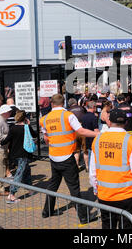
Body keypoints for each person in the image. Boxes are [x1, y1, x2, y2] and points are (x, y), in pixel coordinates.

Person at [40, 94, 98, 224]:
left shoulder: (44, 119)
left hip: (54, 157)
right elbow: (81, 131)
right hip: (67, 157)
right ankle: (83, 217)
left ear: (51, 104)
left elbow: (46, 138)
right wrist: (97, 134)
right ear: (63, 103)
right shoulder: (68, 116)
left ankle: (46, 211)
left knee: (53, 185)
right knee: (74, 188)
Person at [90, 108, 132, 229]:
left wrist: (95, 187)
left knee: (107, 225)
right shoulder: (131, 141)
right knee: (127, 227)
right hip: (127, 196)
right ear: (126, 123)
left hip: (105, 194)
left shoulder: (98, 139)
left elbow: (92, 170)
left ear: (109, 122)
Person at [1, 110, 37, 204]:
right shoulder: (26, 128)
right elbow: (35, 135)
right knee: (20, 174)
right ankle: (12, 194)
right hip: (23, 154)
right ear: (25, 118)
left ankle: (30, 189)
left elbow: (6, 140)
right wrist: (28, 124)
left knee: (27, 170)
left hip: (15, 154)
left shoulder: (13, 128)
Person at [80, 101, 99, 172]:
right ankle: (92, 170)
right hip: (92, 138)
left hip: (84, 136)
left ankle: (87, 167)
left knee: (86, 152)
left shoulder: (83, 116)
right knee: (92, 154)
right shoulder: (94, 117)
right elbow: (96, 130)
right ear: (93, 107)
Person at [68, 98, 87, 169]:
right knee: (85, 150)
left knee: (76, 150)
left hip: (74, 132)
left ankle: (76, 166)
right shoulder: (82, 108)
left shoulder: (68, 110)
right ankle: (87, 167)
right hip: (83, 130)